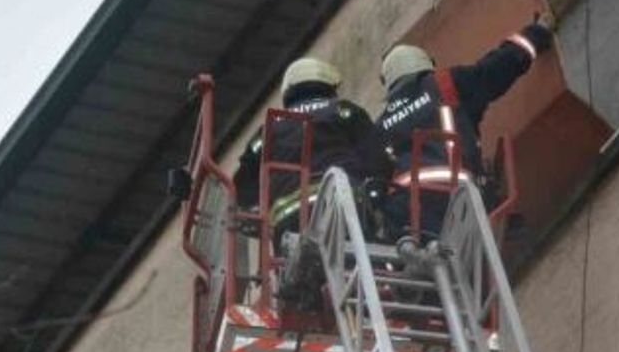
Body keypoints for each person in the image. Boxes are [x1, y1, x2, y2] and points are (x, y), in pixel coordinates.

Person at [376, 20, 554, 240]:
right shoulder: (444, 84)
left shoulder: (381, 125)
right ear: (425, 64)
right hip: (457, 193)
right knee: (503, 228)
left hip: (409, 215)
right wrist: (536, 34)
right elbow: (496, 69)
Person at [233, 57, 386, 243]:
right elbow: (378, 157)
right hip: (343, 203)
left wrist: (255, 213)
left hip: (288, 218)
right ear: (329, 86)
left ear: (288, 91)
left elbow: (242, 187)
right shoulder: (342, 110)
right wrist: (377, 196)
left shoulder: (268, 130)